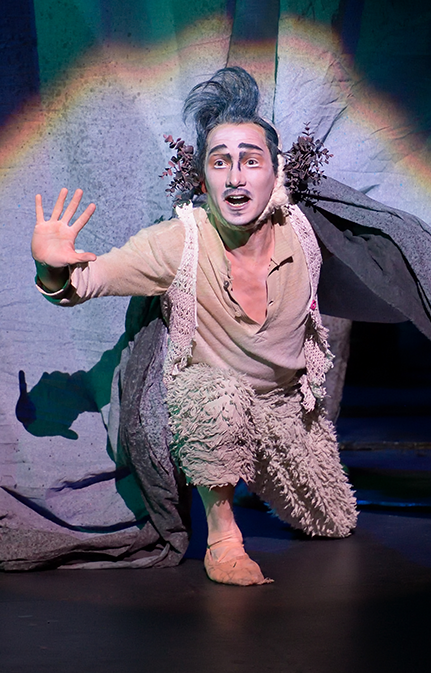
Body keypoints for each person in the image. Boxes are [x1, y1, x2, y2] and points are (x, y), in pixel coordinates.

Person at [31, 67, 356, 585]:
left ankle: (259, 469)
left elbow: (372, 260)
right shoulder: (178, 242)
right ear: (203, 180)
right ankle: (223, 539)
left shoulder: (302, 229)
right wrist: (51, 267)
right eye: (220, 162)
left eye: (251, 161)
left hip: (285, 407)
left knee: (335, 525)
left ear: (276, 175)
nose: (236, 177)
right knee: (215, 396)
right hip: (211, 403)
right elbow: (85, 281)